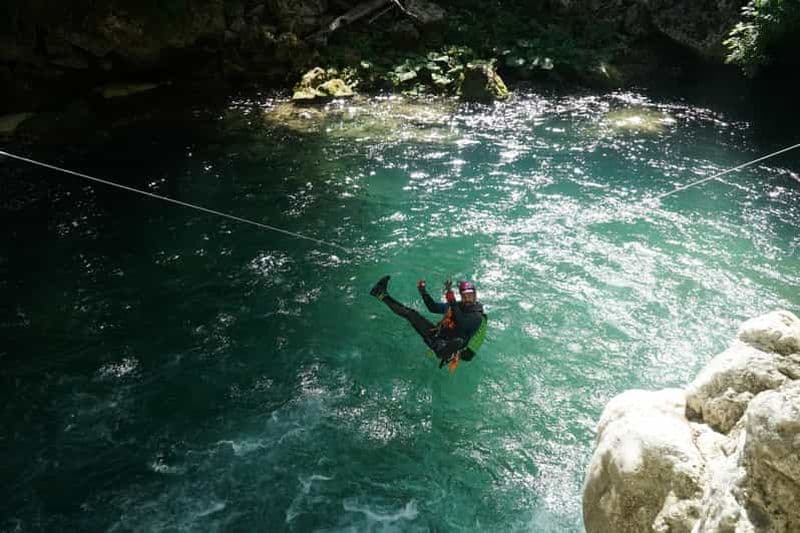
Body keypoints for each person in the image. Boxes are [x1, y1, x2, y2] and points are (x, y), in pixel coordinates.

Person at [369, 275, 486, 368]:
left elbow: (462, 322)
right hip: (436, 335)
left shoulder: (477, 316)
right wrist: (423, 292)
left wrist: (451, 299)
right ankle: (380, 294)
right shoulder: (456, 306)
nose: (467, 298)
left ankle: (443, 352)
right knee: (411, 314)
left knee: (458, 341)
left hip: (449, 346)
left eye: (470, 296)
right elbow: (433, 308)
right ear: (461, 296)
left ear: (475, 296)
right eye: (465, 296)